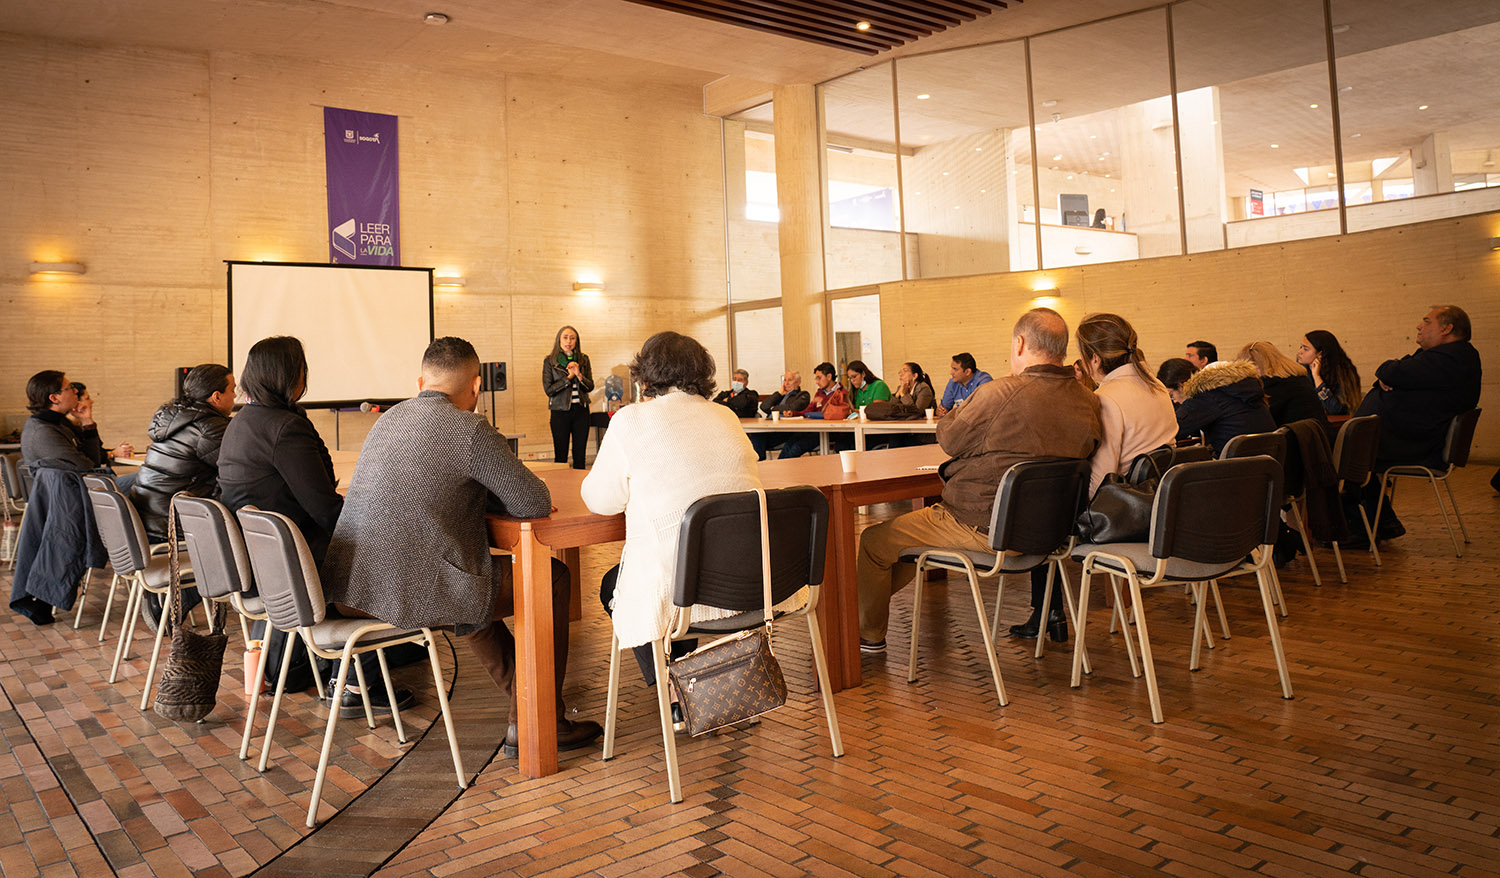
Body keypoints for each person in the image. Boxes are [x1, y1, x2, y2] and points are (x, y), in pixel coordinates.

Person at [323, 337, 601, 757]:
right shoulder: (469, 429)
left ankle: (526, 709)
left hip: (353, 585)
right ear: (475, 387)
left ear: (422, 380)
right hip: (406, 588)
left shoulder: (389, 419)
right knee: (550, 578)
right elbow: (532, 502)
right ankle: (541, 720)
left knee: (472, 573)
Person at [856, 309, 1102, 652]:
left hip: (981, 525)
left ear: (1019, 343)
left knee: (874, 541)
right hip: (1052, 533)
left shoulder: (999, 393)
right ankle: (856, 619)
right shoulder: (1088, 400)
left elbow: (949, 439)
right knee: (903, 547)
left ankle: (865, 635)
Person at [581, 332, 775, 721]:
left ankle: (677, 691)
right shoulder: (726, 415)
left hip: (685, 593)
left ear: (645, 376)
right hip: (754, 584)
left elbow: (600, 501)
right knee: (679, 575)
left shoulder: (630, 421)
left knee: (616, 584)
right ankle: (703, 682)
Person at [219, 336, 403, 715]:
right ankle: (355, 682)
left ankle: (353, 667)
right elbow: (325, 507)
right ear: (291, 376)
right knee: (386, 560)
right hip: (297, 568)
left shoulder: (241, 423)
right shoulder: (285, 429)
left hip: (264, 565)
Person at [1010, 313, 1177, 643]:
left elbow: (1100, 480)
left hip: (1124, 517)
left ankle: (1048, 613)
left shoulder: (1108, 399)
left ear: (1094, 358)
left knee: (1040, 513)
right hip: (1162, 508)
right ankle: (1047, 613)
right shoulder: (1156, 387)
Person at [1352, 305, 1482, 538]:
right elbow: (1391, 373)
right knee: (1352, 451)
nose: (1419, 326)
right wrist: (1387, 377)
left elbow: (1389, 370)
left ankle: (1364, 527)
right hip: (1411, 437)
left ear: (1447, 328)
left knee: (1345, 454)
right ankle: (1378, 522)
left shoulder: (1451, 357)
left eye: (1426, 321)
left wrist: (1388, 375)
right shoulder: (1443, 356)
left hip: (1418, 444)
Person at [11, 371, 111, 624]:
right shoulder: (42, 430)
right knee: (142, 489)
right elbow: (87, 464)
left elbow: (92, 460)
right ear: (54, 397)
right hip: (68, 502)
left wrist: (87, 421)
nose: (76, 392)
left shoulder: (59, 423)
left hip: (66, 500)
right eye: (70, 389)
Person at [129, 364, 236, 542]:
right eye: (232, 390)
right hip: (172, 525)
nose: (235, 396)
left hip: (147, 519)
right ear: (216, 396)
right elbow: (236, 470)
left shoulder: (174, 418)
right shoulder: (209, 427)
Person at [1173, 359, 1276, 455]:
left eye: (1171, 395)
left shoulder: (1209, 397)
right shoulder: (1248, 390)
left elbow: (1172, 431)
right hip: (1267, 463)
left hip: (1232, 467)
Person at [1238, 341, 1328, 428]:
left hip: (1296, 441)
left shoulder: (1271, 386)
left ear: (1254, 366)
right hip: (1318, 438)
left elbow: (1257, 421)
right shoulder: (1300, 379)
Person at [775, 363, 852, 459]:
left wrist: (822, 402)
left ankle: (782, 469)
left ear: (829, 376)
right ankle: (779, 468)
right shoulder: (820, 392)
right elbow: (809, 410)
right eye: (816, 378)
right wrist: (794, 414)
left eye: (819, 378)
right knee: (791, 442)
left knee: (797, 447)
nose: (817, 381)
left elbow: (835, 413)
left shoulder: (841, 393)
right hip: (816, 429)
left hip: (831, 432)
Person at [543, 325, 594, 469]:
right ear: (559, 340)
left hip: (581, 411)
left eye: (572, 338)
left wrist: (578, 374)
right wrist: (569, 377)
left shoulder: (584, 360)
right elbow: (549, 390)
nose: (569, 341)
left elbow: (589, 386)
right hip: (560, 412)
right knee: (561, 455)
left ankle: (579, 488)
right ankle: (561, 488)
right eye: (565, 337)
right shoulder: (550, 361)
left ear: (576, 341)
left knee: (580, 455)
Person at [1296, 330, 1363, 416]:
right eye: (1300, 347)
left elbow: (1335, 409)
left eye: (1305, 349)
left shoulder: (1344, 372)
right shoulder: (1303, 370)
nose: (1299, 352)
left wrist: (1317, 377)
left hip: (1339, 424)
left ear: (1320, 354)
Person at [751, 370, 811, 461]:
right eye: (785, 380)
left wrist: (773, 409)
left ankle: (760, 463)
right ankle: (759, 463)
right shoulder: (780, 395)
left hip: (786, 431)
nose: (786, 383)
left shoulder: (802, 395)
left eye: (790, 380)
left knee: (758, 440)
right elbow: (764, 406)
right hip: (771, 429)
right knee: (757, 434)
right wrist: (779, 394)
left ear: (798, 382)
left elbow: (793, 407)